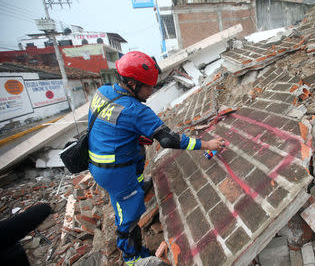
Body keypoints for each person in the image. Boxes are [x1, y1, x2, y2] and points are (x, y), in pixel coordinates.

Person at [87, 51, 224, 265]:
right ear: (132, 83)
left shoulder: (103, 92)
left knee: (140, 150)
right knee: (129, 214)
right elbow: (169, 140)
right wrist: (206, 144)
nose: (151, 91)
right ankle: (132, 257)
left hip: (98, 158)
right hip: (115, 172)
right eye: (148, 86)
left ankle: (140, 186)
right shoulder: (136, 111)